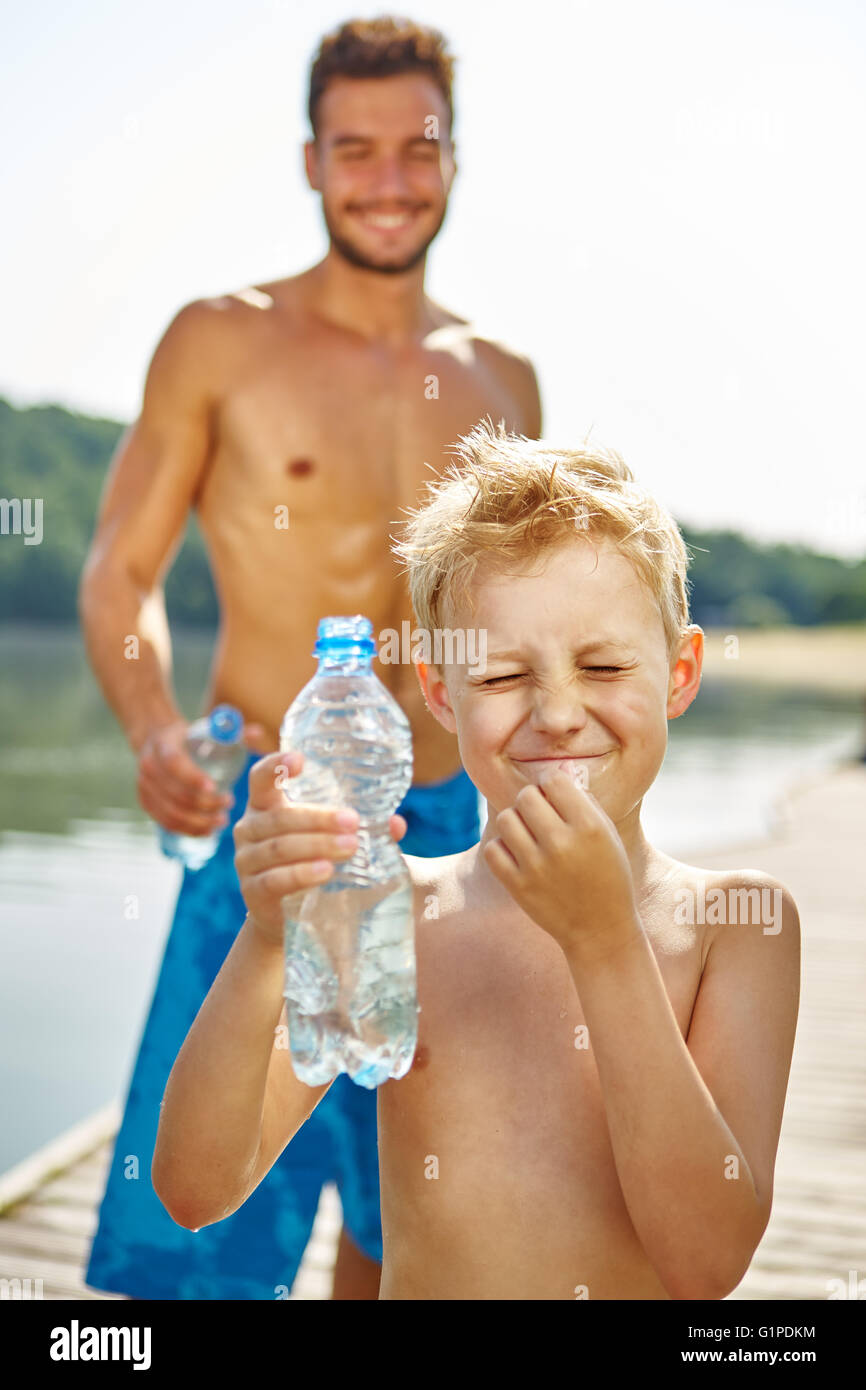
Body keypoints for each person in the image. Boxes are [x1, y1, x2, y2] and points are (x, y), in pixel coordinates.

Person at [79, 17, 541, 1301]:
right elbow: (121, 565)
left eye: (415, 148)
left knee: (410, 1208)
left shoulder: (501, 378)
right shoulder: (220, 339)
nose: (386, 181)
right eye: (356, 150)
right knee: (203, 1222)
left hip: (448, 826)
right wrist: (151, 727)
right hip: (272, 809)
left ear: (452, 157)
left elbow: (514, 626)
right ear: (309, 160)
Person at [153, 422, 801, 1299]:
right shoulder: (394, 914)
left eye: (605, 666)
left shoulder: (734, 927)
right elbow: (196, 1190)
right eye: (500, 677)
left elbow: (707, 1262)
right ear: (437, 692)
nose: (560, 713)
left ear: (682, 673)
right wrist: (268, 940)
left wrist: (607, 944)